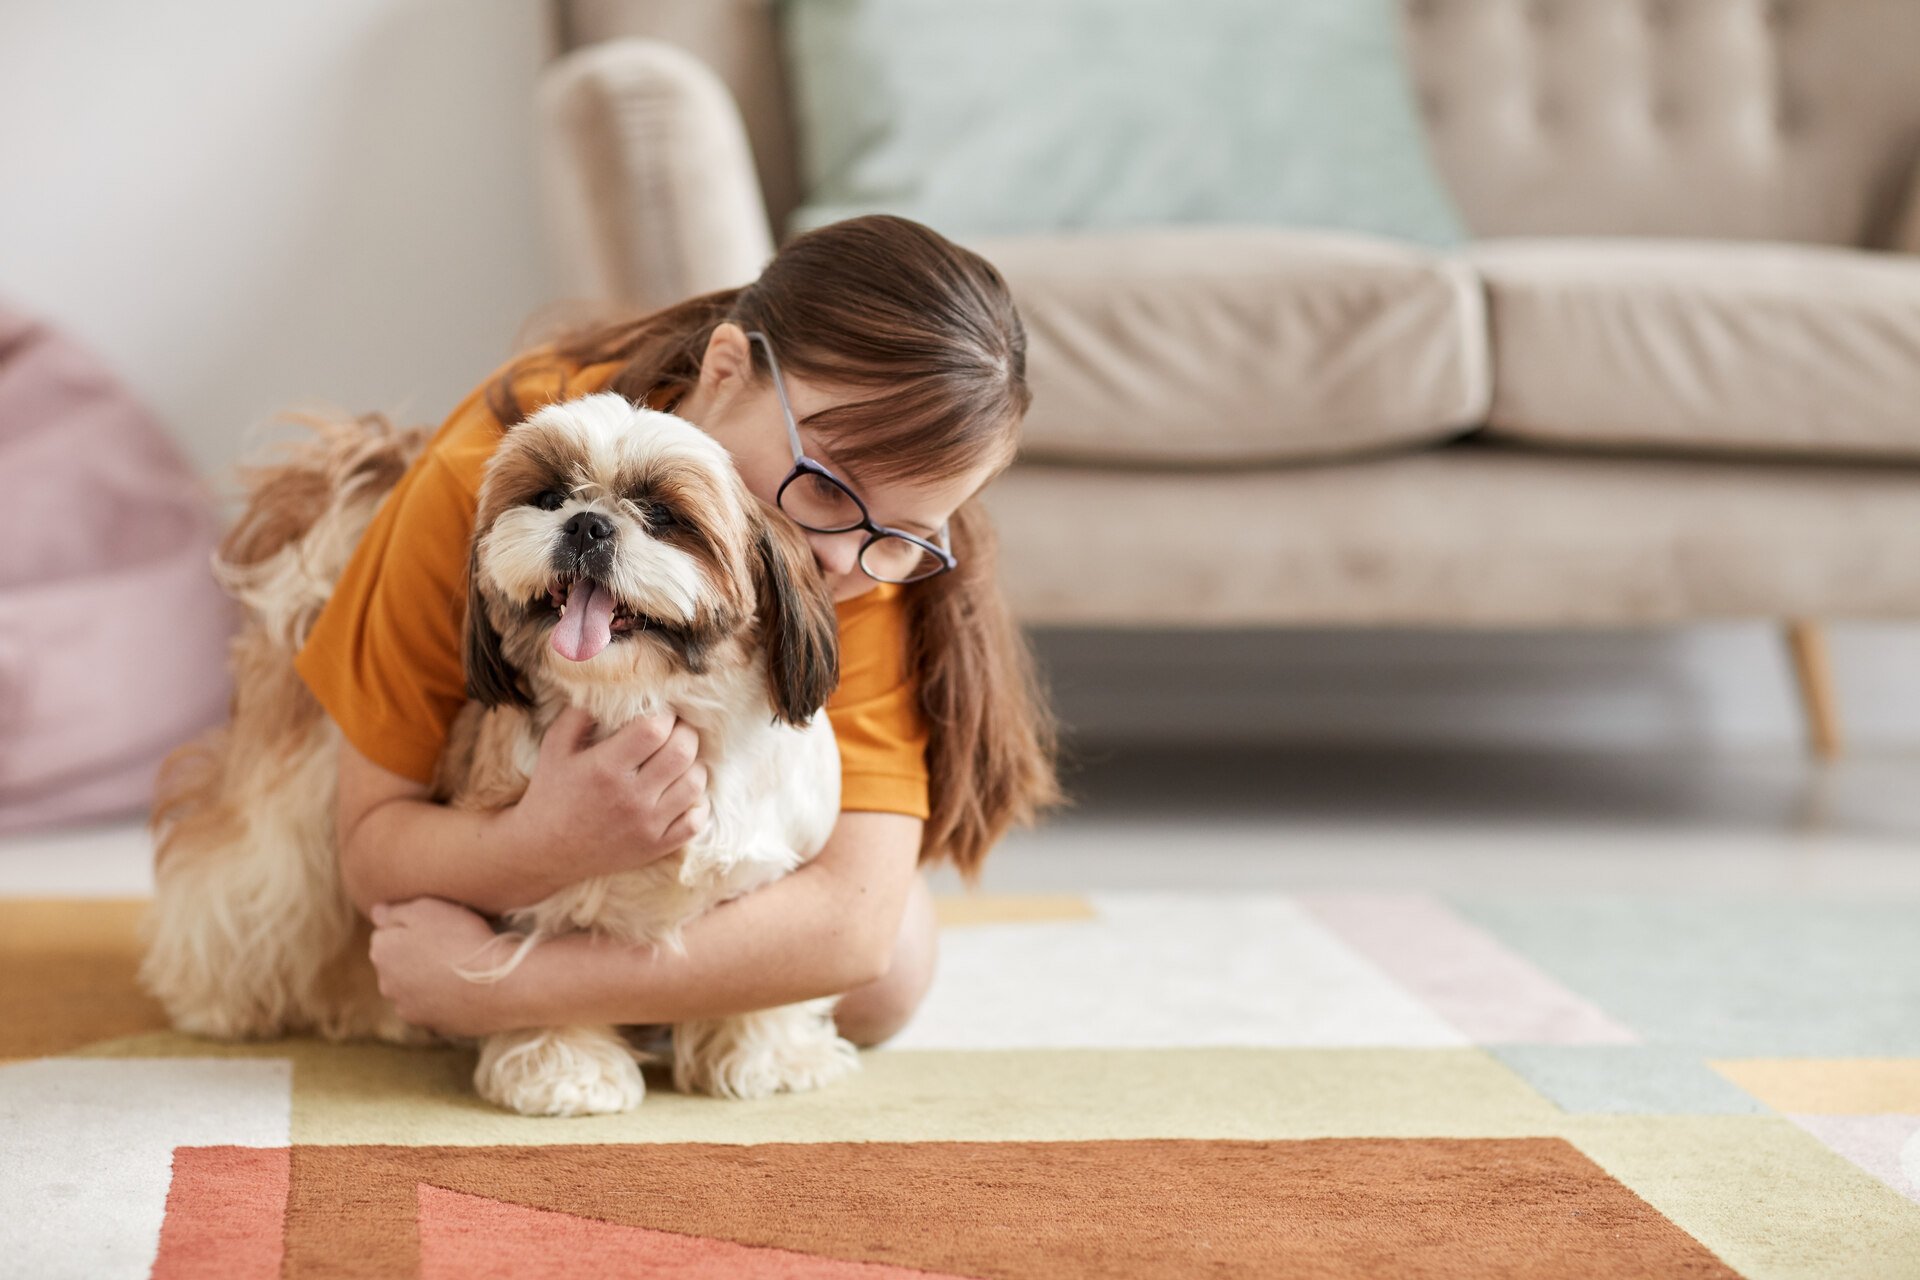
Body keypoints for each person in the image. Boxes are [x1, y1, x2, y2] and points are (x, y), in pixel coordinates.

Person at [293, 215, 1058, 1047]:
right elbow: (371, 849)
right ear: (727, 369)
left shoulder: (863, 561)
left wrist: (507, 990)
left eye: (904, 534)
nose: (836, 558)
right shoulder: (478, 478)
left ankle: (621, 996)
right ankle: (651, 991)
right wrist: (541, 845)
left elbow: (857, 924)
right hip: (487, 829)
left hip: (683, 870)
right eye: (829, 485)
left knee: (892, 977)